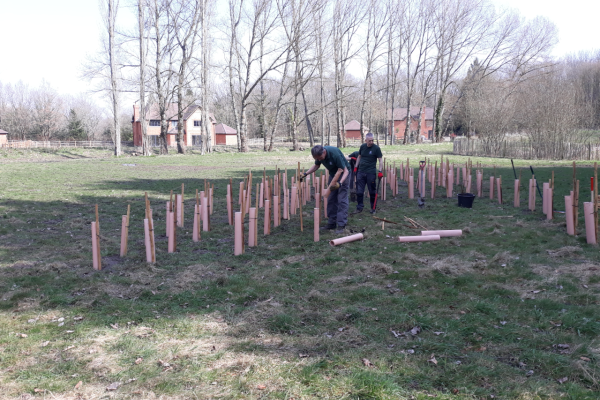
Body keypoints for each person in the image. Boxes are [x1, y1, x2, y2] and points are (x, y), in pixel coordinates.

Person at [300, 145, 350, 234]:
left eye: (320, 158)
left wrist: (340, 183)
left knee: (341, 199)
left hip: (344, 175)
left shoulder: (335, 154)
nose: (319, 160)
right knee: (331, 198)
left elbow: (346, 171)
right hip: (333, 174)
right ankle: (331, 223)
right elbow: (316, 166)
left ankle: (342, 226)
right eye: (317, 158)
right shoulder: (318, 155)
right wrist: (305, 174)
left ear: (324, 152)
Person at [354, 133, 383, 213]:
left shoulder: (376, 148)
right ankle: (359, 207)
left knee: (372, 191)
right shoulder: (362, 147)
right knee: (359, 191)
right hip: (361, 171)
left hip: (371, 172)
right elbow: (359, 157)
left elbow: (380, 160)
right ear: (365, 140)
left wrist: (380, 171)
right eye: (370, 140)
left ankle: (373, 208)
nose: (371, 142)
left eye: (372, 140)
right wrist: (356, 167)